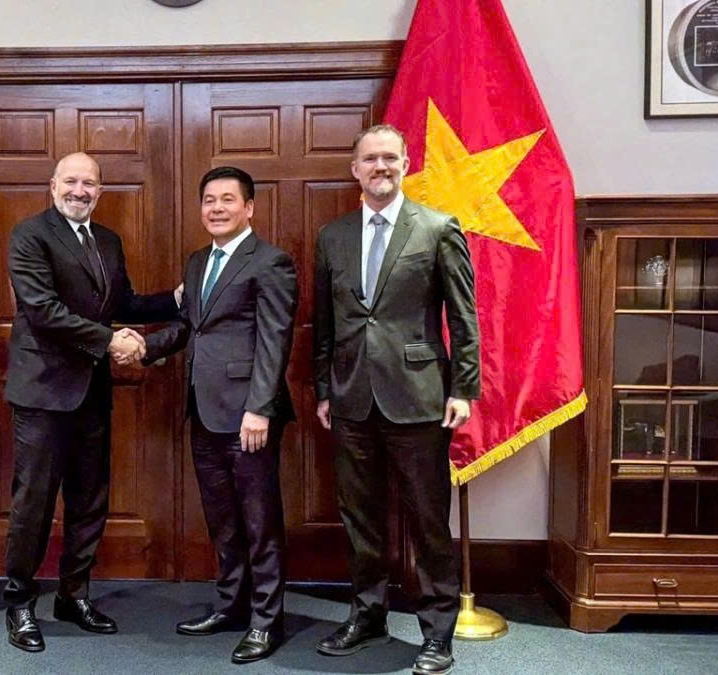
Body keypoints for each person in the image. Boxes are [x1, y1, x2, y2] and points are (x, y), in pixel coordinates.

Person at [312, 125, 480, 675]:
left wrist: (463, 388)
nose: (379, 166)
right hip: (351, 397)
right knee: (360, 517)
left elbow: (463, 316)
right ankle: (368, 615)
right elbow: (325, 324)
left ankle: (437, 633)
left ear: (406, 164)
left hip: (419, 397)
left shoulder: (436, 228)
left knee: (427, 519)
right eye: (369, 159)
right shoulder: (332, 236)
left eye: (389, 158)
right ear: (354, 169)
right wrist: (322, 390)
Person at [3, 151, 181, 652]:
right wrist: (108, 341)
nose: (80, 190)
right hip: (42, 393)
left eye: (90, 184)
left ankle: (73, 595)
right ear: (53, 185)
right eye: (72, 181)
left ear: (100, 192)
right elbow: (42, 311)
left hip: (91, 394)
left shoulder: (107, 241)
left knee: (89, 501)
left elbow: (124, 303)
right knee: (33, 504)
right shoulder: (30, 235)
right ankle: (18, 603)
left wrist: (178, 299)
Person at [145, 166, 297, 664]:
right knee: (223, 520)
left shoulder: (270, 261)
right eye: (209, 199)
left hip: (248, 416)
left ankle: (265, 621)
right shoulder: (197, 262)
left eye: (227, 200)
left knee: (260, 521)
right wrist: (140, 347)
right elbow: (190, 326)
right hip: (204, 411)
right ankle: (230, 606)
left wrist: (260, 407)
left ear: (249, 207)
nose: (216, 208)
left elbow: (275, 340)